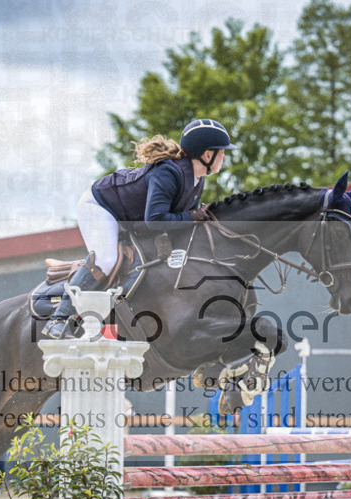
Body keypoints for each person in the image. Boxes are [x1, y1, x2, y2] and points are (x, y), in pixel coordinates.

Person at [42, 118, 237, 339]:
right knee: (106, 259)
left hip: (129, 217)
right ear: (207, 155)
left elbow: (178, 222)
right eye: (222, 152)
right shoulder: (168, 173)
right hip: (100, 207)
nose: (225, 156)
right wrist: (192, 216)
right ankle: (58, 319)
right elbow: (155, 219)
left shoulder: (196, 179)